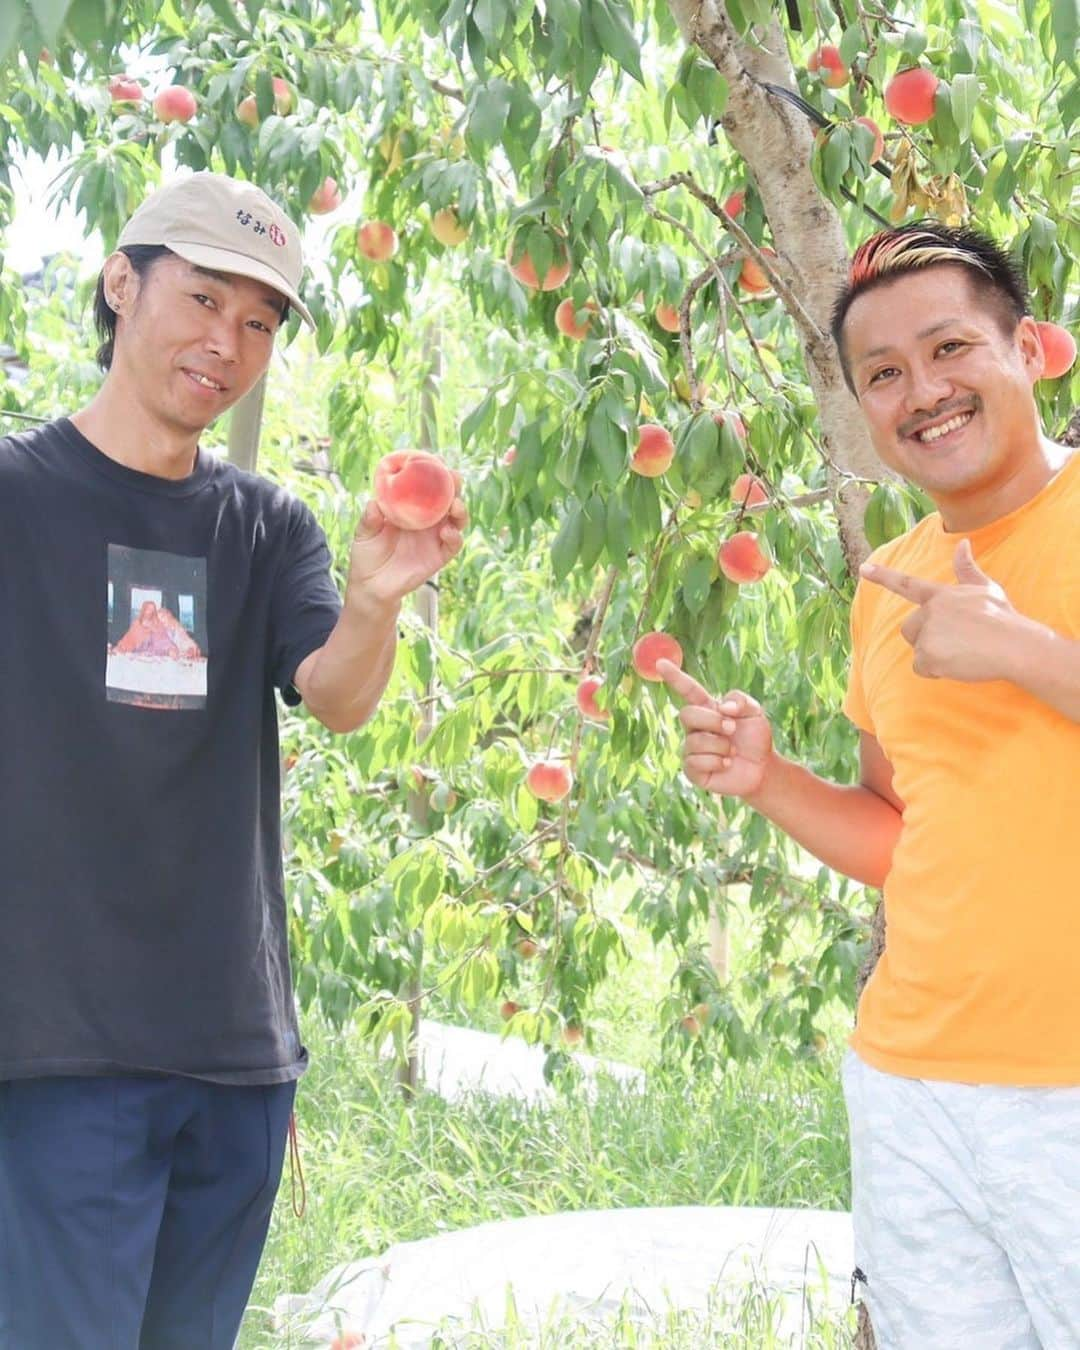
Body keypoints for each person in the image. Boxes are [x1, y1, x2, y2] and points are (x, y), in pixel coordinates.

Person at [0, 171, 466, 1347]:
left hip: (234, 1056)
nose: (228, 343)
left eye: (259, 322)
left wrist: (374, 602)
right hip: (57, 1050)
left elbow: (339, 697)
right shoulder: (14, 500)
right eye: (204, 301)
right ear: (122, 284)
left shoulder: (267, 527)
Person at [658, 222, 1080, 1347]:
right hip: (913, 1081)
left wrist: (1026, 652)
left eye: (950, 349)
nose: (921, 392)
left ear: (1036, 349)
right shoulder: (888, 592)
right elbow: (905, 838)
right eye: (883, 374)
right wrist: (771, 780)